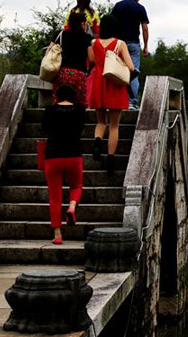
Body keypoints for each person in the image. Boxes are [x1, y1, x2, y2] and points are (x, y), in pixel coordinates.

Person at [88, 14, 136, 174]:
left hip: (98, 83)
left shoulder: (94, 43)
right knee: (114, 125)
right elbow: (130, 67)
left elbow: (92, 60)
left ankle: (97, 142)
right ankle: (110, 160)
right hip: (114, 84)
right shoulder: (120, 44)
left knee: (101, 122)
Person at [41, 83, 84, 244]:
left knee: (54, 197)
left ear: (57, 96)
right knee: (76, 186)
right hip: (74, 154)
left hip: (53, 155)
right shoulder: (80, 110)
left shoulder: (50, 110)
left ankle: (57, 234)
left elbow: (44, 129)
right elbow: (81, 128)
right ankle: (72, 207)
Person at [111, 0, 149, 110]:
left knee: (117, 72)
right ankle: (131, 102)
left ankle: (116, 100)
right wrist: (146, 47)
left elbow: (111, 24)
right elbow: (144, 28)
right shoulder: (140, 8)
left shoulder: (118, 6)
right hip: (133, 44)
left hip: (118, 44)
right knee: (133, 73)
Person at [48, 12, 94, 106]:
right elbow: (92, 59)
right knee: (79, 103)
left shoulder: (61, 34)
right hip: (79, 74)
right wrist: (89, 71)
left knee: (60, 101)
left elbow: (49, 51)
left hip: (62, 73)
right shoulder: (87, 38)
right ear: (82, 24)